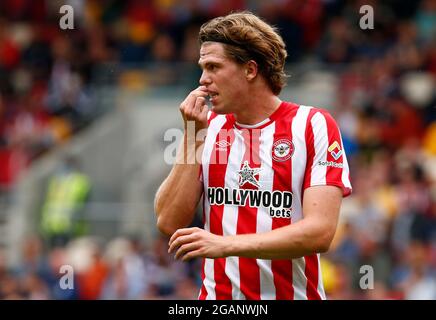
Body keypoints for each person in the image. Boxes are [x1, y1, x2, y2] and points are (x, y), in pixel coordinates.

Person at [154, 11, 352, 300]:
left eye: (213, 67)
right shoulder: (207, 129)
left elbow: (320, 232)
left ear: (250, 70)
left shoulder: (312, 125)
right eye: (202, 67)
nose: (202, 80)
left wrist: (227, 244)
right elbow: (168, 222)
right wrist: (192, 135)